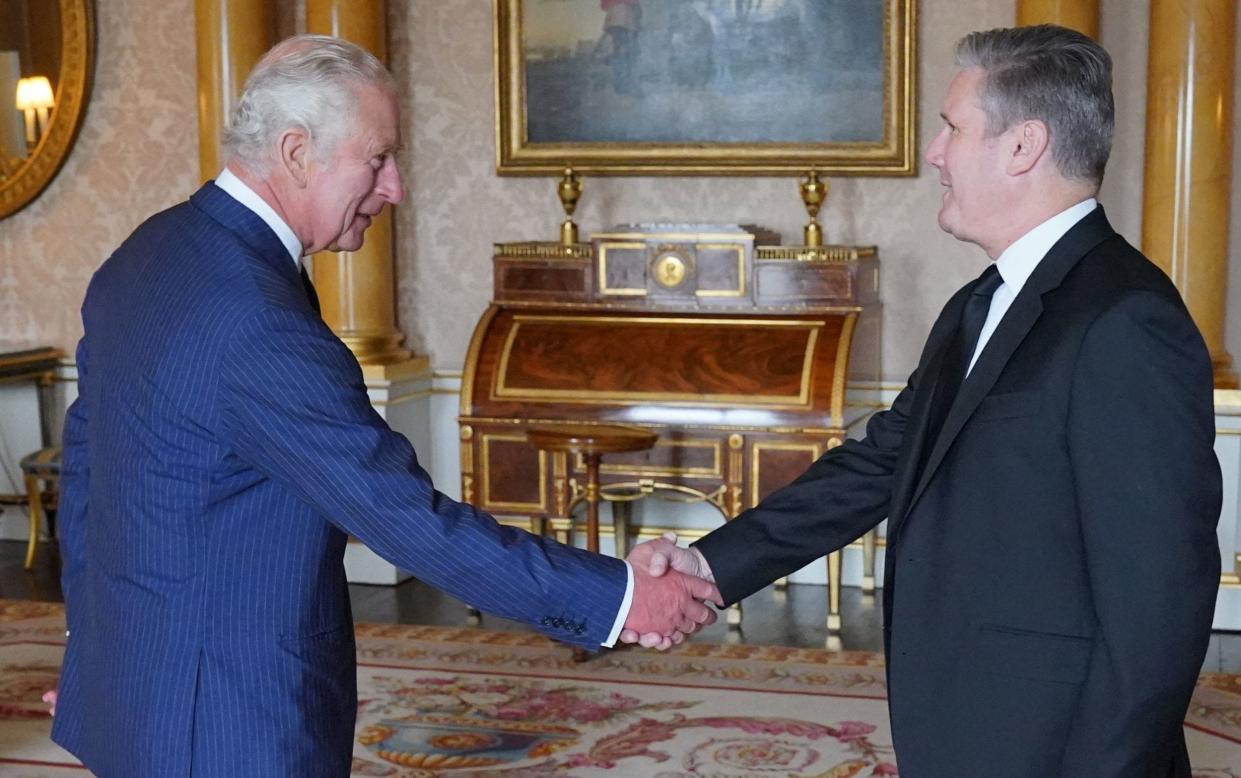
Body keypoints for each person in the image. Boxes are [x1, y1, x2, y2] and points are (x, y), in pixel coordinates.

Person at [47, 35, 720, 778]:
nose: (395, 186)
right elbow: (407, 522)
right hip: (231, 718)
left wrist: (97, 652)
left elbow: (89, 465)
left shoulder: (152, 250)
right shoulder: (255, 320)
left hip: (141, 694)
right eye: (377, 158)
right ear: (298, 151)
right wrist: (621, 600)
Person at [626, 24, 1222, 776]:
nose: (934, 153)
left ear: (1021, 146)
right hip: (970, 723)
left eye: (950, 128)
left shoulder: (1124, 320)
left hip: (1054, 743)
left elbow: (1158, 600)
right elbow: (879, 463)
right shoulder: (982, 301)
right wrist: (708, 566)